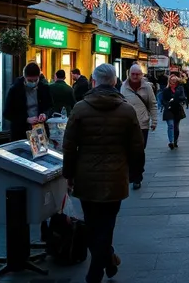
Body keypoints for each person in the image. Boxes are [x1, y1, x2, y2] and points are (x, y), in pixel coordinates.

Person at [62, 63, 144, 283]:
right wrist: (136, 173)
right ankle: (103, 264)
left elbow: (69, 146)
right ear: (115, 82)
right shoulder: (127, 110)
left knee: (91, 222)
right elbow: (136, 146)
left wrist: (68, 174)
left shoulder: (80, 108)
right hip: (116, 177)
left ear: (94, 81)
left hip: (86, 175)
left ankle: (99, 267)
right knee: (107, 224)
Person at [120, 64, 157, 190]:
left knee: (140, 151)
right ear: (129, 74)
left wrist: (154, 121)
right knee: (129, 151)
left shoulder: (147, 87)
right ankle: (132, 173)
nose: (135, 76)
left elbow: (152, 104)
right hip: (127, 125)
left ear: (141, 75)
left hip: (142, 124)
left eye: (137, 74)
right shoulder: (123, 87)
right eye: (133, 74)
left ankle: (137, 176)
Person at [3, 62, 53, 141]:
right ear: (24, 77)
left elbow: (50, 107)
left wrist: (45, 115)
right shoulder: (15, 90)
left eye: (35, 80)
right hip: (20, 132)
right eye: (30, 80)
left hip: (40, 132)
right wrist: (26, 119)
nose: (33, 83)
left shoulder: (44, 88)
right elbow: (7, 113)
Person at [161, 74, 187, 149]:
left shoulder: (180, 88)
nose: (173, 82)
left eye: (174, 80)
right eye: (171, 80)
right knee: (170, 125)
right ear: (169, 81)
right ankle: (171, 142)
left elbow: (183, 97)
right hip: (169, 109)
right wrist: (167, 104)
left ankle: (175, 140)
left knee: (176, 127)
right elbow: (163, 100)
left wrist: (177, 99)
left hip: (177, 109)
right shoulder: (166, 90)